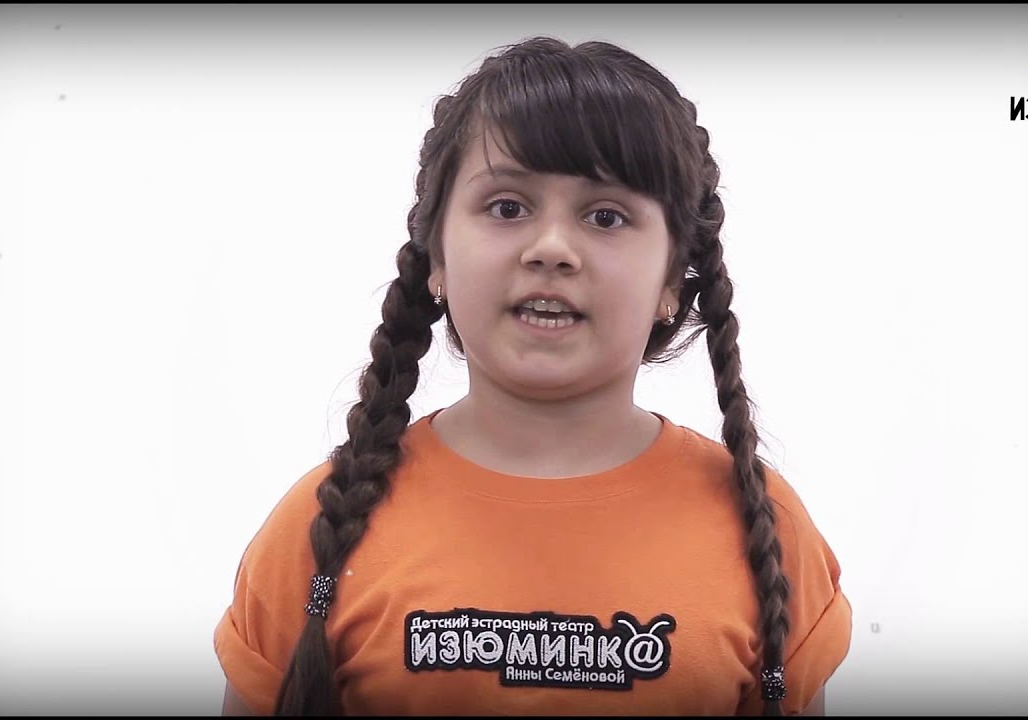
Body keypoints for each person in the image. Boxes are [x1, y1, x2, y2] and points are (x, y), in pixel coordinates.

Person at [214, 35, 852, 716]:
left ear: (672, 278)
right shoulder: (321, 528)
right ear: (436, 257)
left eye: (605, 216)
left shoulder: (766, 532)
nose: (551, 248)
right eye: (507, 207)